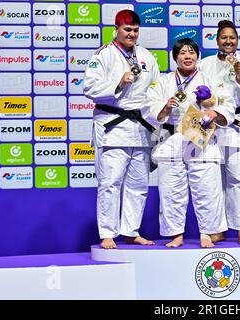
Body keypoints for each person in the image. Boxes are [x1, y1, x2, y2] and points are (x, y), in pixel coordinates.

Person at [144, 38, 235, 248]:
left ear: (197, 56)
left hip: (201, 136)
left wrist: (213, 110)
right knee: (171, 190)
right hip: (172, 138)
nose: (187, 56)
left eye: (192, 52)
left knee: (207, 189)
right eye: (183, 53)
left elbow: (227, 104)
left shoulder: (210, 79)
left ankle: (207, 233)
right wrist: (165, 107)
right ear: (175, 57)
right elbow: (148, 107)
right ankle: (175, 234)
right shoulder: (164, 82)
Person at [83, 10, 160, 249]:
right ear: (116, 29)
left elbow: (156, 88)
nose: (132, 34)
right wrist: (118, 82)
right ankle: (107, 233)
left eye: (136, 30)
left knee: (138, 184)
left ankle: (130, 230)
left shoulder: (146, 56)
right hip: (112, 127)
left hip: (140, 128)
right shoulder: (103, 55)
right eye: (127, 30)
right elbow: (89, 88)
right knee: (110, 182)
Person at [198, 20, 240, 245]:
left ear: (237, 40)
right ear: (217, 40)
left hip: (239, 124)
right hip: (211, 125)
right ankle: (217, 229)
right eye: (224, 37)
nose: (228, 41)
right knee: (212, 181)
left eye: (232, 37)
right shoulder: (205, 64)